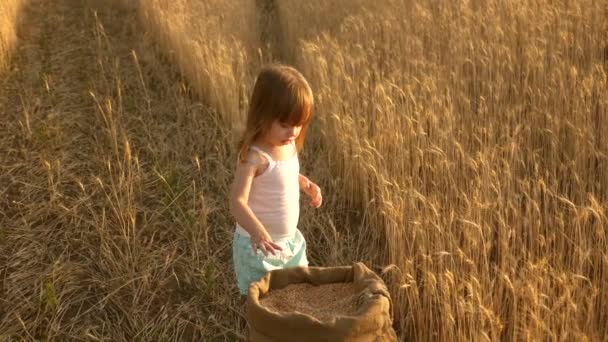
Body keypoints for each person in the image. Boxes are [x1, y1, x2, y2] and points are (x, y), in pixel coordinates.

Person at [230, 64, 322, 297]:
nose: (293, 132)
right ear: (263, 115)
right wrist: (257, 232)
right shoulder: (254, 157)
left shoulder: (288, 145)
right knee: (263, 301)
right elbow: (237, 201)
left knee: (296, 294)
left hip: (289, 243)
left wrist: (305, 184)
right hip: (259, 247)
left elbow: (284, 174)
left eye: (299, 125)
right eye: (285, 124)